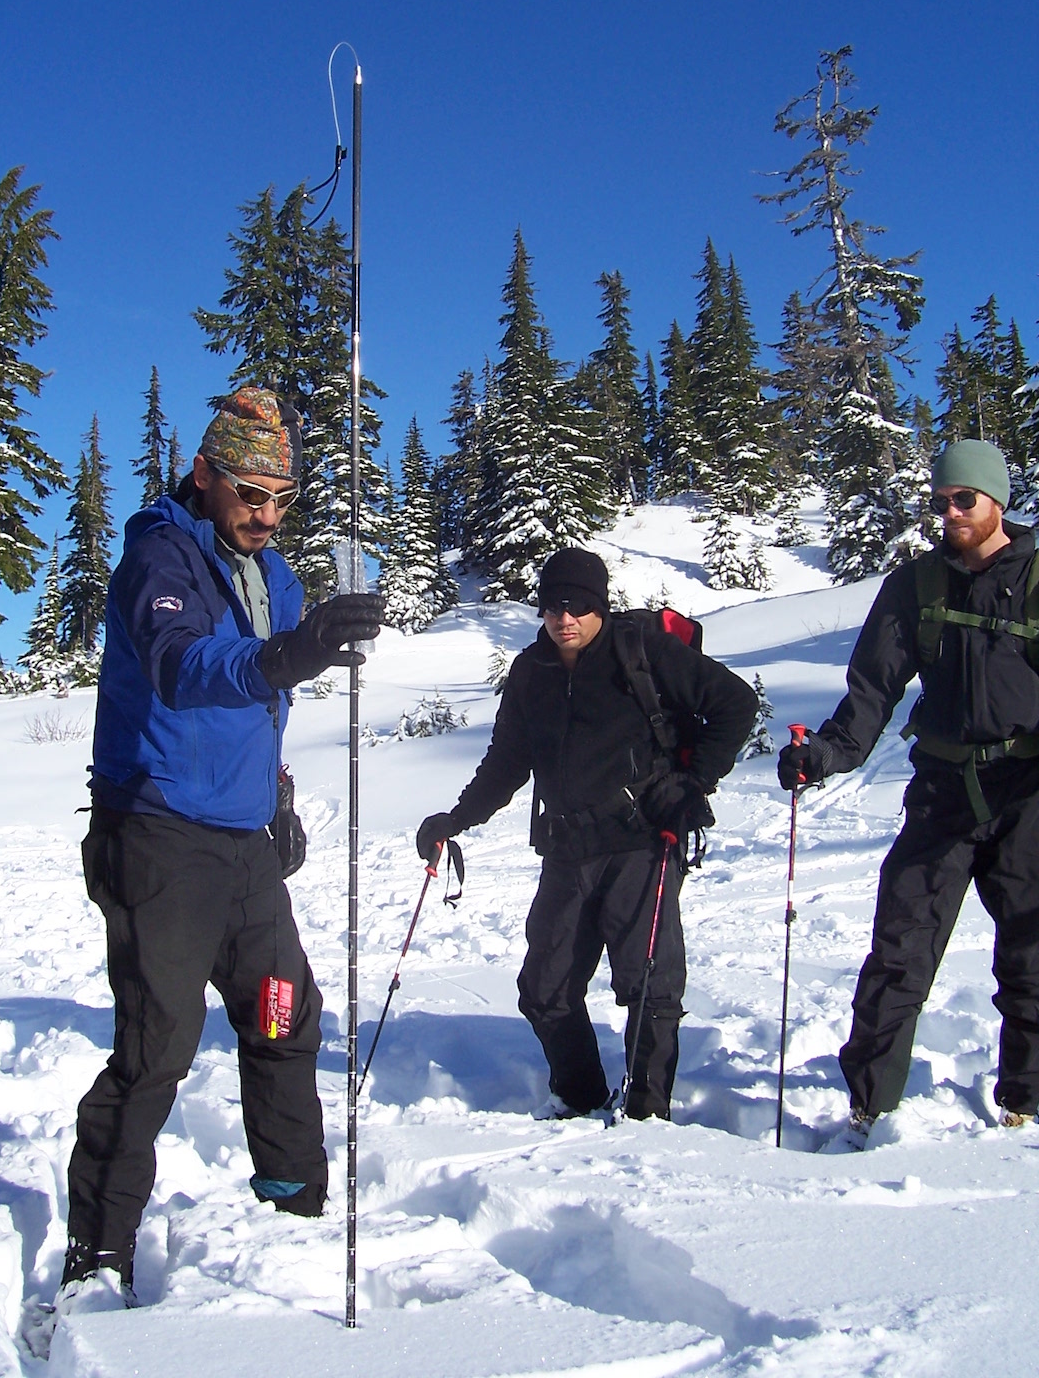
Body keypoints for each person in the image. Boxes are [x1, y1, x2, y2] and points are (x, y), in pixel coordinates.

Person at [61, 387, 383, 1304]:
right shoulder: (160, 557)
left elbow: (260, 705)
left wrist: (275, 790)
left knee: (283, 1011)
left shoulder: (272, 571)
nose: (267, 514)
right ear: (204, 477)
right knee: (158, 1045)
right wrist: (294, 652)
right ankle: (100, 1247)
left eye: (282, 497)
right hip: (159, 831)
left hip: (244, 841)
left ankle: (291, 1196)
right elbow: (183, 665)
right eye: (249, 493)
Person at [415, 548, 756, 1121]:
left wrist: (691, 785)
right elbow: (506, 760)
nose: (562, 618)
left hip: (642, 841)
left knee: (648, 986)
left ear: (599, 606)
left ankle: (648, 1117)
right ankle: (580, 1100)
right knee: (544, 989)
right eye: (550, 605)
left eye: (576, 604)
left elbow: (735, 703)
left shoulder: (639, 652)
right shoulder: (532, 672)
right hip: (567, 847)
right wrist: (457, 819)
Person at [779, 439, 1039, 1143]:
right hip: (943, 788)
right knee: (900, 948)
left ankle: (1028, 1097)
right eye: (940, 501)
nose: (949, 512)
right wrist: (827, 753)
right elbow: (872, 688)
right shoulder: (917, 585)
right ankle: (872, 1105)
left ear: (997, 501)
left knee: (1031, 950)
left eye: (964, 499)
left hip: (1028, 791)